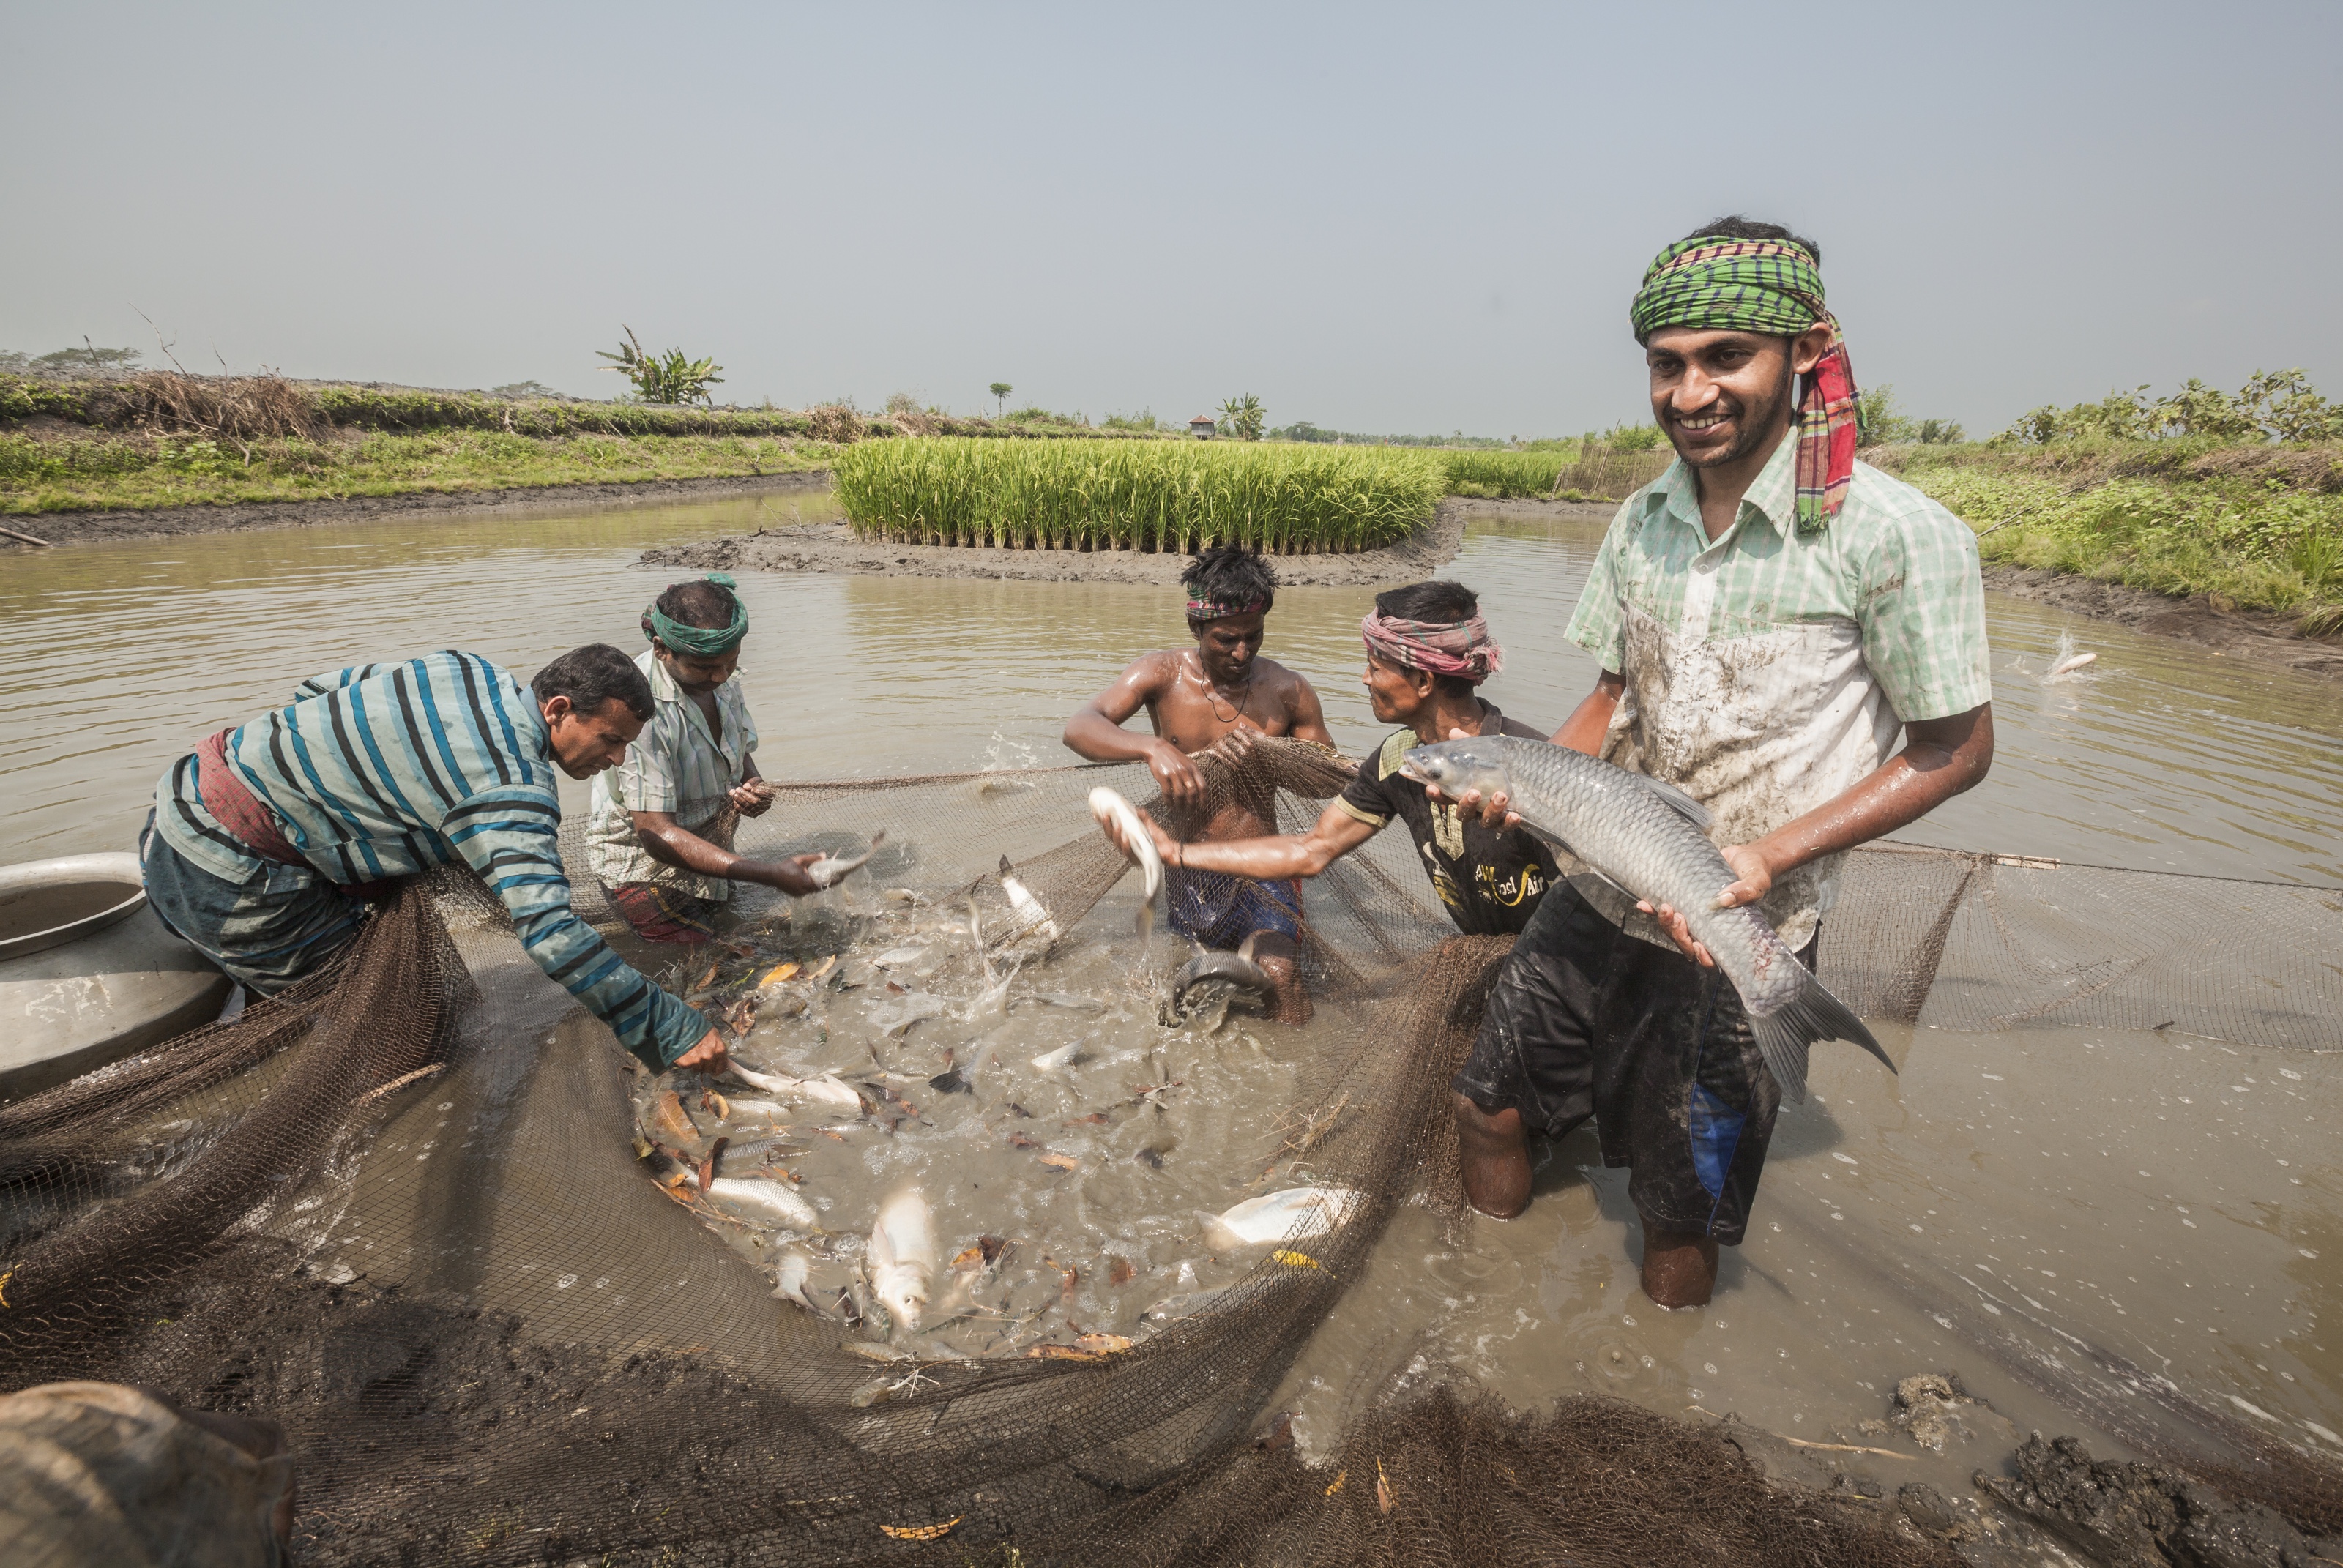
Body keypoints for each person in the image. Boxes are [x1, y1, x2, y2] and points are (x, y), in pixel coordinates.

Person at [1436, 217, 1994, 1309]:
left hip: (1744, 918)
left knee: (1675, 1198)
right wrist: (1523, 786)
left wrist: (1766, 853)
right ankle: (1480, 1323)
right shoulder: (1641, 521)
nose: (1691, 393)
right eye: (1667, 364)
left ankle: (1659, 1380)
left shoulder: (1895, 536)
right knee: (1486, 1102)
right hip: (1600, 885)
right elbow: (1610, 698)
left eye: (1724, 358)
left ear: (1804, 352)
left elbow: (1956, 750)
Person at [139, 643, 734, 1077]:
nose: (617, 759)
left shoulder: (463, 668)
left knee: (290, 1004)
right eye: (610, 740)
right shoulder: (513, 789)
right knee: (401, 1043)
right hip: (234, 877)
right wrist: (668, 1025)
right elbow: (552, 933)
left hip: (179, 806)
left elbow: (318, 691)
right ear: (556, 709)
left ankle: (263, 1037)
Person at [1096, 580, 1557, 938]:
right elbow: (1314, 849)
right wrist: (1175, 853)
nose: (1364, 679)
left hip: (1568, 951)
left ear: (1421, 680)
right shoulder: (1398, 761)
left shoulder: (1534, 761)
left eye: (1375, 667)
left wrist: (1270, 758)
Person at [1062, 545, 1336, 1020]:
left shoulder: (1288, 690)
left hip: (1265, 869)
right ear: (1197, 628)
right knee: (1199, 981)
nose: (1242, 652)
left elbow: (1326, 779)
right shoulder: (1161, 676)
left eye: (1254, 637)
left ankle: (1295, 1076)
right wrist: (1152, 748)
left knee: (1279, 973)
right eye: (1226, 639)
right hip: (1190, 872)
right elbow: (1081, 727)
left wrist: (1270, 757)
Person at [586, 572, 827, 944]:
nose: (720, 675)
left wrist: (754, 785)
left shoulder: (722, 678)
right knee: (705, 968)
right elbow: (656, 834)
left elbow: (739, 749)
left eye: (731, 662)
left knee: (735, 944)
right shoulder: (637, 710)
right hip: (643, 868)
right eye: (703, 667)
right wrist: (769, 873)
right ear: (661, 649)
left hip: (711, 851)